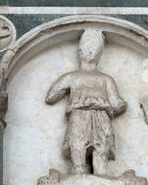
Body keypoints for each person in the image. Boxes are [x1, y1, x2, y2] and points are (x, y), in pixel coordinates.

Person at [44, 29, 128, 176]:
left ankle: (102, 182)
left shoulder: (105, 79)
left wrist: (120, 105)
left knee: (101, 152)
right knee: (78, 149)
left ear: (100, 53)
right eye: (88, 47)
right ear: (80, 50)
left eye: (95, 48)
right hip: (79, 116)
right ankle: (77, 183)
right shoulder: (72, 77)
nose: (91, 51)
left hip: (101, 117)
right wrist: (65, 88)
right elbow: (50, 97)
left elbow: (116, 103)